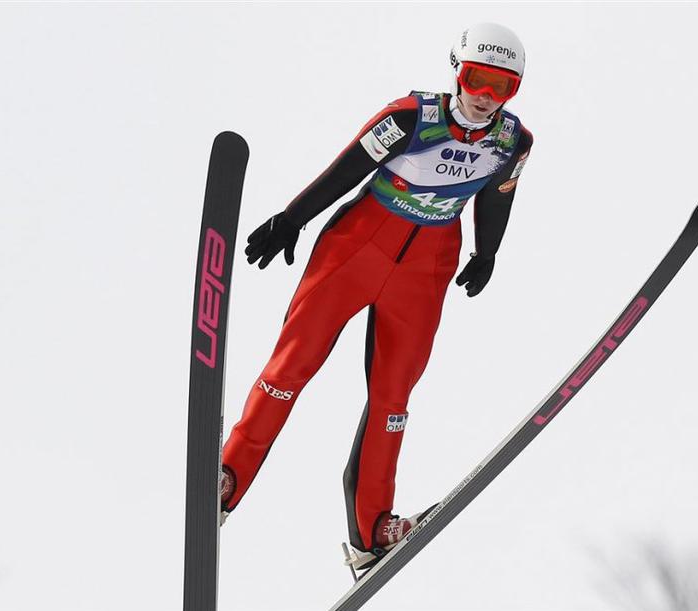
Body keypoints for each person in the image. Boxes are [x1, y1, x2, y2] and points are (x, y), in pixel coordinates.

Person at [219, 22, 534, 570]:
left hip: (428, 264)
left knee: (393, 399)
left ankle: (373, 531)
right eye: (476, 79)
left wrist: (487, 254)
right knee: (292, 366)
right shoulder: (409, 118)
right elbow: (348, 167)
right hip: (359, 244)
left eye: (502, 87)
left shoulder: (513, 142)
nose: (485, 96)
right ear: (456, 70)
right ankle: (225, 478)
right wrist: (292, 219)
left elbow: (499, 197)